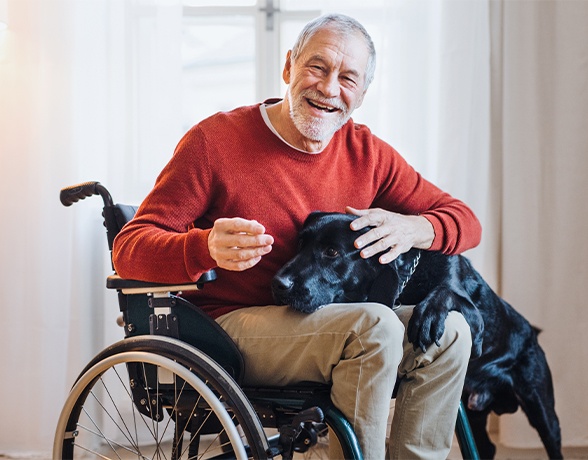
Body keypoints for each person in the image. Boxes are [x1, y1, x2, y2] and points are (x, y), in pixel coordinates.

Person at [113, 13, 481, 459]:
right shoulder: (215, 141)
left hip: (329, 324)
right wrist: (204, 245)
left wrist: (413, 226)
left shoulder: (368, 153)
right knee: (376, 324)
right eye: (317, 67)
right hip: (230, 329)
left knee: (452, 331)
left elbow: (465, 222)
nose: (329, 88)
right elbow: (129, 248)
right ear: (288, 67)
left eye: (348, 77)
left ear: (362, 94)